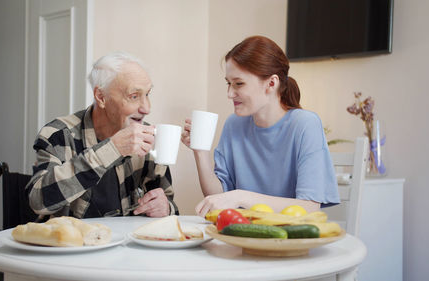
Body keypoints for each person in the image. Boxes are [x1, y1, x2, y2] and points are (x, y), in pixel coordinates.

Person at [181, 36, 339, 216]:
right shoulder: (234, 125)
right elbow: (219, 199)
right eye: (228, 83)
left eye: (238, 83)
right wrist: (200, 151)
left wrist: (241, 197)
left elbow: (309, 206)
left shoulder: (304, 125)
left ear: (271, 83)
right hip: (241, 235)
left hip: (290, 239)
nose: (229, 93)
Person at [26, 52, 178, 218]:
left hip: (128, 242)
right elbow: (38, 201)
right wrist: (111, 149)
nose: (146, 108)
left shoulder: (147, 136)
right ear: (101, 97)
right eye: (134, 96)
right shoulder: (59, 135)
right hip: (74, 243)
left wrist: (166, 207)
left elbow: (169, 204)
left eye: (147, 94)